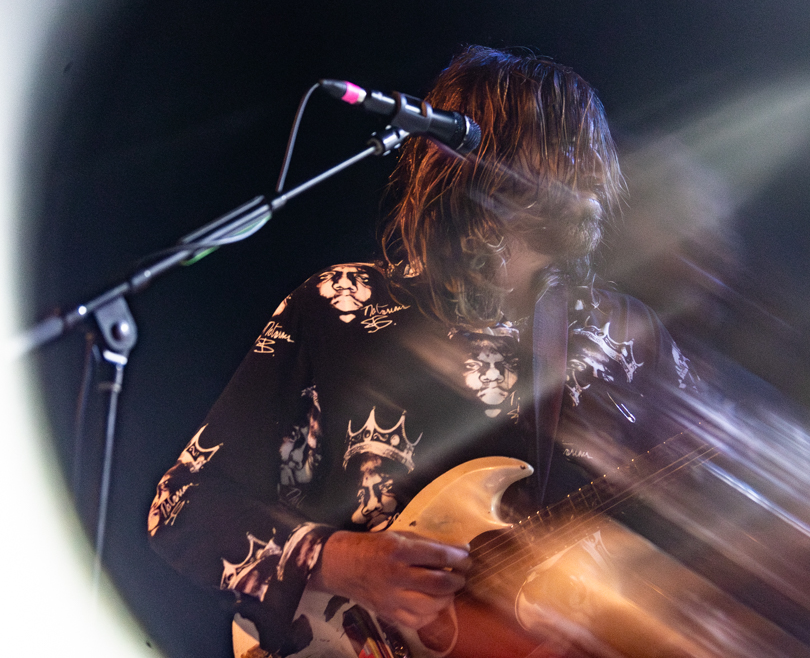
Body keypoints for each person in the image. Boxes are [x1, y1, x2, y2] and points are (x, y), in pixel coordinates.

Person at [149, 45, 698, 657]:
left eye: (596, 154)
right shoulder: (341, 306)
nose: (597, 176)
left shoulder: (628, 339)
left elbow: (701, 522)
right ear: (478, 163)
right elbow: (183, 505)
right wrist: (342, 561)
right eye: (568, 149)